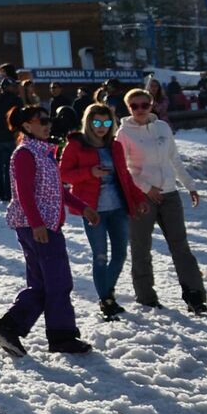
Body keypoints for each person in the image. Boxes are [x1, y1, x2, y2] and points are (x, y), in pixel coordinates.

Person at [0, 106, 94, 356]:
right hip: (38, 227)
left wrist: (83, 207)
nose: (48, 124)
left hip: (44, 225)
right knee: (58, 281)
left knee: (42, 284)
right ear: (26, 126)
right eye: (42, 121)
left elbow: (58, 190)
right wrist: (36, 224)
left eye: (49, 120)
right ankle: (62, 336)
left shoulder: (44, 152)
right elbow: (23, 192)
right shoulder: (25, 153)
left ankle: (9, 328)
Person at [116, 87, 206, 314]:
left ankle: (195, 295)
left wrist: (190, 186)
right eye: (134, 106)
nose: (139, 109)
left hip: (169, 194)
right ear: (128, 108)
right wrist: (146, 188)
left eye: (143, 105)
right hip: (142, 197)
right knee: (141, 248)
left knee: (180, 246)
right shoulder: (123, 133)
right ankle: (146, 296)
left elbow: (174, 159)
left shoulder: (163, 127)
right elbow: (123, 169)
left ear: (152, 105)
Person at [59, 104, 146, 321]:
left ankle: (107, 293)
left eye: (106, 123)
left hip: (117, 208)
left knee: (120, 254)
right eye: (97, 122)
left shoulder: (114, 146)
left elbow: (125, 176)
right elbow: (63, 174)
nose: (102, 128)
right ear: (89, 122)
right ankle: (106, 300)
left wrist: (139, 199)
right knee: (100, 256)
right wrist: (90, 172)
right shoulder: (76, 145)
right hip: (93, 210)